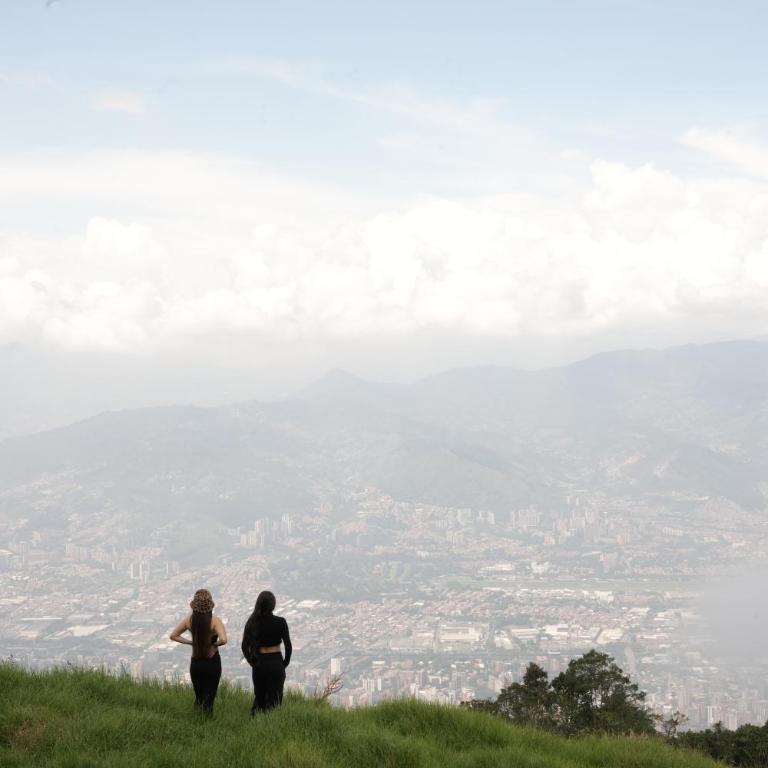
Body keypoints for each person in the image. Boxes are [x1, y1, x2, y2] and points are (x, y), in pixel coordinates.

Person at [170, 588, 227, 714]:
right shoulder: (215, 621)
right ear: (210, 605)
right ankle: (206, 724)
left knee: (199, 697)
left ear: (194, 605)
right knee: (209, 698)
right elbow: (223, 640)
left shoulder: (189, 621)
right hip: (212, 663)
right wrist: (214, 644)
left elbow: (173, 635)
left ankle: (196, 720)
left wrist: (191, 642)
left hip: (196, 663)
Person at [241, 590, 292, 714]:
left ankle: (255, 723)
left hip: (259, 663)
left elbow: (244, 646)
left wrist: (251, 662)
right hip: (276, 662)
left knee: (260, 698)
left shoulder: (252, 622)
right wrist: (284, 663)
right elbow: (288, 646)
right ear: (273, 605)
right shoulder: (281, 622)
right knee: (275, 700)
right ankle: (272, 726)